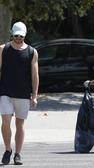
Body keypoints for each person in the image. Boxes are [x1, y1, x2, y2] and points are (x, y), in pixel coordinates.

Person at [0, 21, 39, 165]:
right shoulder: (3, 49)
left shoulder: (32, 52)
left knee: (20, 125)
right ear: (12, 34)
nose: (18, 38)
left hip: (23, 93)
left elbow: (35, 75)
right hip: (5, 92)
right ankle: (8, 149)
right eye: (16, 35)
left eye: (21, 36)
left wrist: (34, 95)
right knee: (5, 122)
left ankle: (17, 154)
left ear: (25, 36)